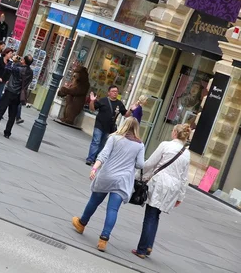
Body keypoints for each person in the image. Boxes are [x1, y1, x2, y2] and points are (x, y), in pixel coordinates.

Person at [72, 117, 145, 252]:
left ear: (124, 125)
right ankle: (103, 240)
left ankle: (81, 223)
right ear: (136, 129)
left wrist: (94, 168)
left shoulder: (114, 138)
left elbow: (103, 155)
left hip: (107, 176)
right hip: (122, 180)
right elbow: (140, 164)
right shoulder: (140, 145)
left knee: (94, 201)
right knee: (113, 210)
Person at [132, 124, 191, 259]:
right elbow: (184, 177)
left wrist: (136, 175)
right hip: (173, 187)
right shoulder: (186, 153)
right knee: (156, 214)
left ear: (175, 133)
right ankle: (148, 245)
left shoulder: (166, 145)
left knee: (150, 215)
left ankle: (142, 249)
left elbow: (150, 163)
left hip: (160, 183)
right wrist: (180, 196)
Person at [0, 55, 33, 139]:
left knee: (0, 110)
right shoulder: (30, 72)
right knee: (12, 115)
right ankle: (7, 132)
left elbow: (8, 68)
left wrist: (12, 61)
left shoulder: (18, 69)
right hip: (18, 94)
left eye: (23, 59)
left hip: (10, 91)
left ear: (24, 61)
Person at [86, 86, 132, 165]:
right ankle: (90, 159)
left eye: (116, 91)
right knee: (96, 141)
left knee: (103, 143)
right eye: (113, 91)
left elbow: (126, 114)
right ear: (109, 93)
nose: (115, 93)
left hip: (109, 128)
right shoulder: (103, 100)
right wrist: (92, 101)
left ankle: (96, 158)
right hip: (99, 125)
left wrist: (131, 109)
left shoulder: (119, 104)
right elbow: (92, 109)